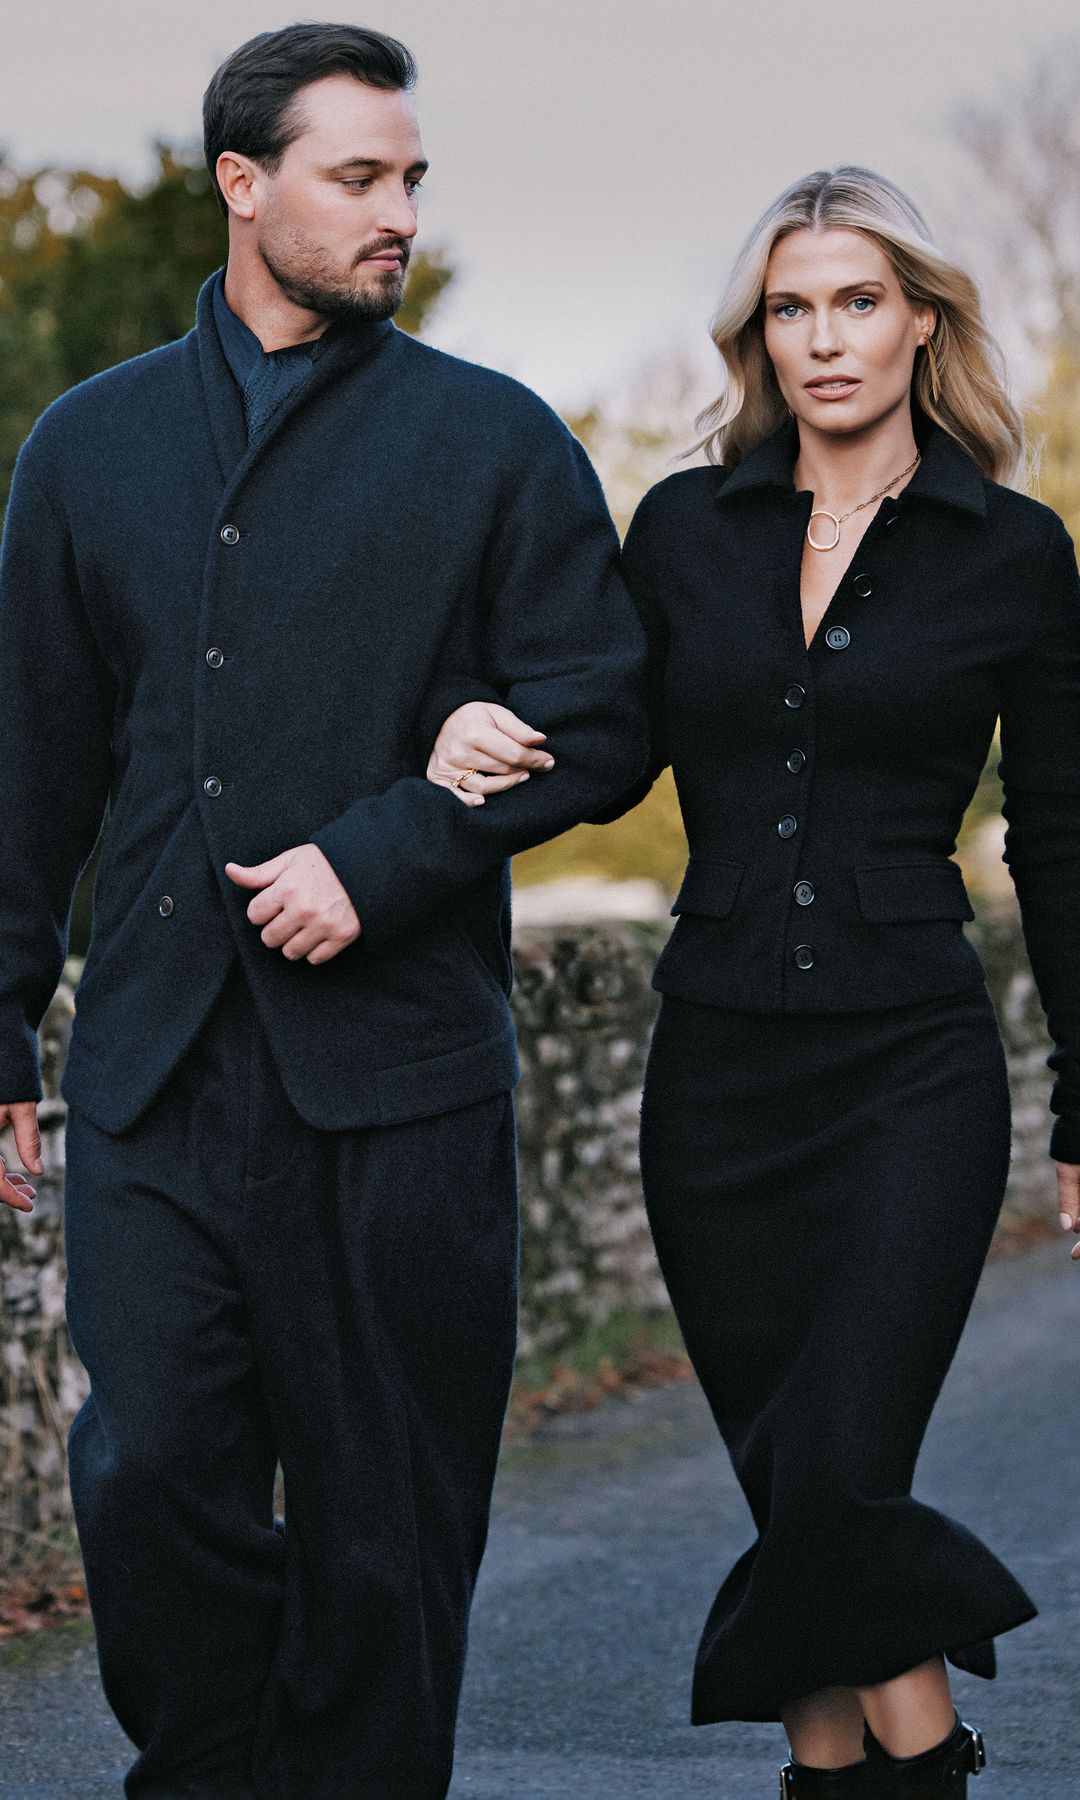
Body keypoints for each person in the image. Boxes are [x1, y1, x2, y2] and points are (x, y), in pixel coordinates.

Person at [0, 23, 648, 1800]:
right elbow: (29, 767)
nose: (398, 214)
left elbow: (602, 714)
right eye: (358, 178)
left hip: (402, 1093)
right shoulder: (87, 445)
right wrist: (1, 1030)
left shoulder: (494, 442)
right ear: (244, 184)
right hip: (152, 1072)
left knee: (387, 1538)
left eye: (411, 179)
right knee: (146, 1489)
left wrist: (391, 850)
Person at [426, 165, 1080, 1797]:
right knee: (795, 1488)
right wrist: (462, 726)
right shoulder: (685, 527)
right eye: (792, 308)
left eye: (858, 300)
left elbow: (1064, 840)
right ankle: (838, 1779)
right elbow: (609, 742)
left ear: (921, 318)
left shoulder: (1012, 551)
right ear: (760, 338)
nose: (825, 338)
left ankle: (926, 1766)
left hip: (911, 1073)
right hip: (715, 1073)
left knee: (844, 1473)